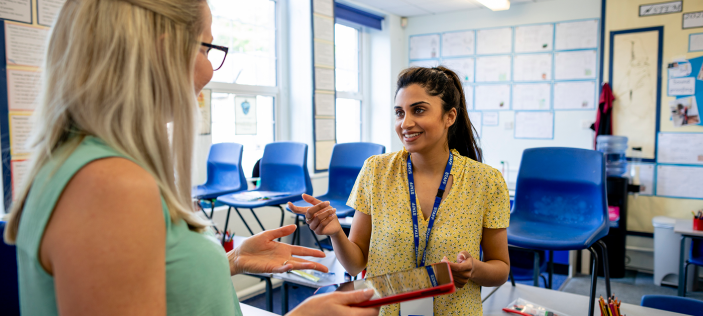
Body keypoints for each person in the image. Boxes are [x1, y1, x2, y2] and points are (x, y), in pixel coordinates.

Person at [2, 0, 378, 315]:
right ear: (165, 51)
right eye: (206, 48)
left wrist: (227, 262)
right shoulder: (110, 185)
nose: (208, 71)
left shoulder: (79, 164)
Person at [290, 66, 511, 316]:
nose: (405, 123)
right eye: (399, 112)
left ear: (450, 117)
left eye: (418, 110)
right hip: (385, 310)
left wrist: (474, 269)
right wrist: (336, 233)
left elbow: (500, 268)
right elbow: (356, 262)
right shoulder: (376, 171)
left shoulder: (486, 181)